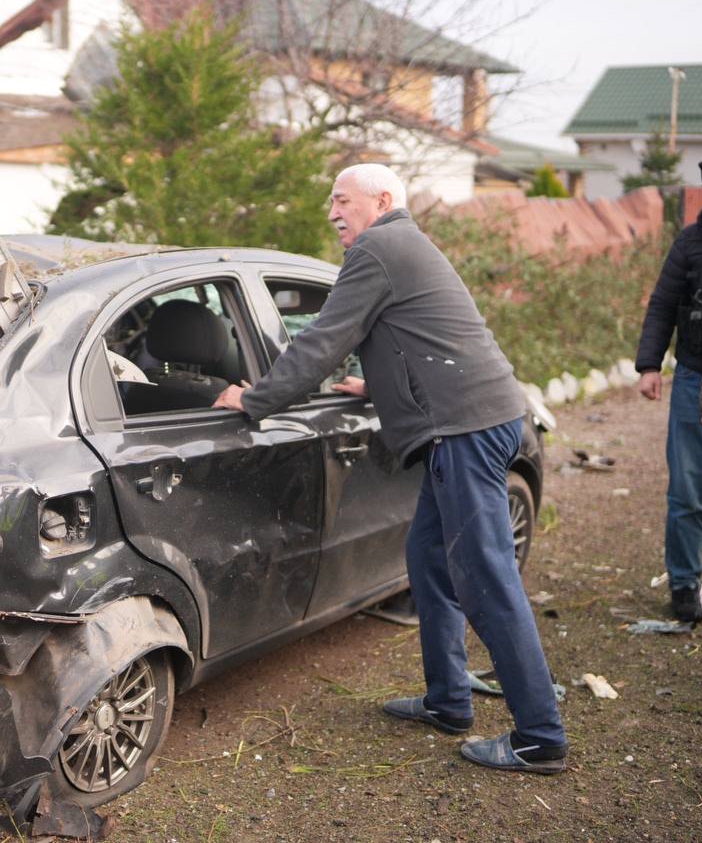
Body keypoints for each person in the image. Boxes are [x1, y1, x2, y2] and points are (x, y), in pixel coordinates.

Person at [214, 163, 567, 774]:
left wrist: (254, 399)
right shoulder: (403, 245)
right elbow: (422, 336)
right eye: (331, 201)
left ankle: (540, 736)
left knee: (485, 577)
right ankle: (449, 701)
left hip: (465, 429)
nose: (332, 212)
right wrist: (375, 385)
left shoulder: (376, 249)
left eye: (341, 200)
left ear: (381, 200)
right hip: (478, 417)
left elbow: (322, 341)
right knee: (428, 558)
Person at [634, 160, 702, 623]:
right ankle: (684, 585)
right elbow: (662, 305)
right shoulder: (690, 243)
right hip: (694, 380)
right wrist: (649, 365)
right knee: (687, 491)